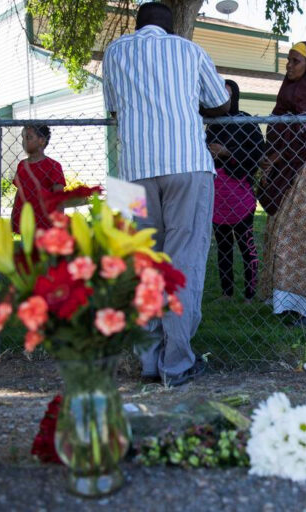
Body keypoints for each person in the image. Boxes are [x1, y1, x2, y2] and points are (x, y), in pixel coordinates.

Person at [102, 2, 230, 386]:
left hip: (132, 172)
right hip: (187, 164)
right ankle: (177, 364)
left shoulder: (114, 52)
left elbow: (112, 110)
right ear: (171, 26)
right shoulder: (189, 50)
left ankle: (148, 363)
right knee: (183, 262)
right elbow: (220, 103)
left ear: (137, 25)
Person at [256, 41, 306, 328]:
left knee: (300, 234)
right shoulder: (287, 91)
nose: (289, 65)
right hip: (283, 166)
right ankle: (287, 303)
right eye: (288, 60)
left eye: (296, 61)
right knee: (278, 232)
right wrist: (270, 156)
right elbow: (279, 129)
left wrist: (277, 156)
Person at [206, 79, 264, 302]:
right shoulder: (212, 124)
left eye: (228, 96)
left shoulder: (246, 122)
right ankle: (227, 292)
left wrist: (227, 153)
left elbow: (257, 154)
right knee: (223, 248)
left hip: (241, 196)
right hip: (218, 198)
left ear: (236, 97)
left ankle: (250, 293)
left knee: (246, 246)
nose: (224, 100)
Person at [11, 125, 66, 234]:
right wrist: (14, 215)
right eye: (23, 138)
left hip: (45, 222)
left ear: (41, 141)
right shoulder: (22, 165)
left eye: (29, 137)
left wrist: (58, 221)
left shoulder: (53, 166)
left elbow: (59, 197)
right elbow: (19, 192)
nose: (24, 141)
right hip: (25, 221)